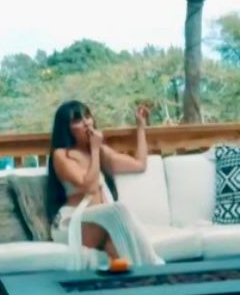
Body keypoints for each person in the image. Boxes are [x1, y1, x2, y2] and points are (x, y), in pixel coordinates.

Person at [45, 101, 161, 268]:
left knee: (119, 249)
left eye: (87, 116)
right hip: (73, 224)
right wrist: (94, 150)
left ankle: (140, 284)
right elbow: (89, 187)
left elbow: (139, 165)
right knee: (117, 210)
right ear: (67, 128)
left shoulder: (101, 151)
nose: (86, 123)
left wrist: (141, 128)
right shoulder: (62, 155)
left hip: (103, 225)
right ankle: (156, 266)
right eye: (77, 120)